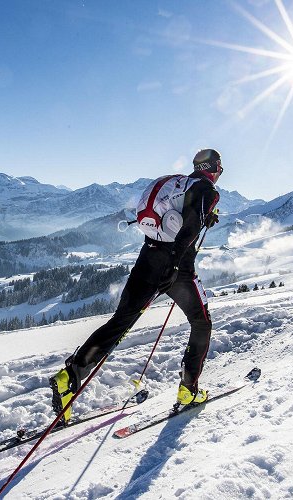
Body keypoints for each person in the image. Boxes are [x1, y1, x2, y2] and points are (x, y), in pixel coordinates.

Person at [50, 148, 223, 423]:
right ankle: (189, 391)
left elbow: (183, 216)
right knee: (201, 323)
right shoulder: (206, 189)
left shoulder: (181, 184)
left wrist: (204, 218)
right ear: (213, 168)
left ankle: (68, 378)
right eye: (219, 168)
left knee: (120, 322)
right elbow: (188, 227)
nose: (220, 172)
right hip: (176, 269)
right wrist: (176, 265)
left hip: (148, 259)